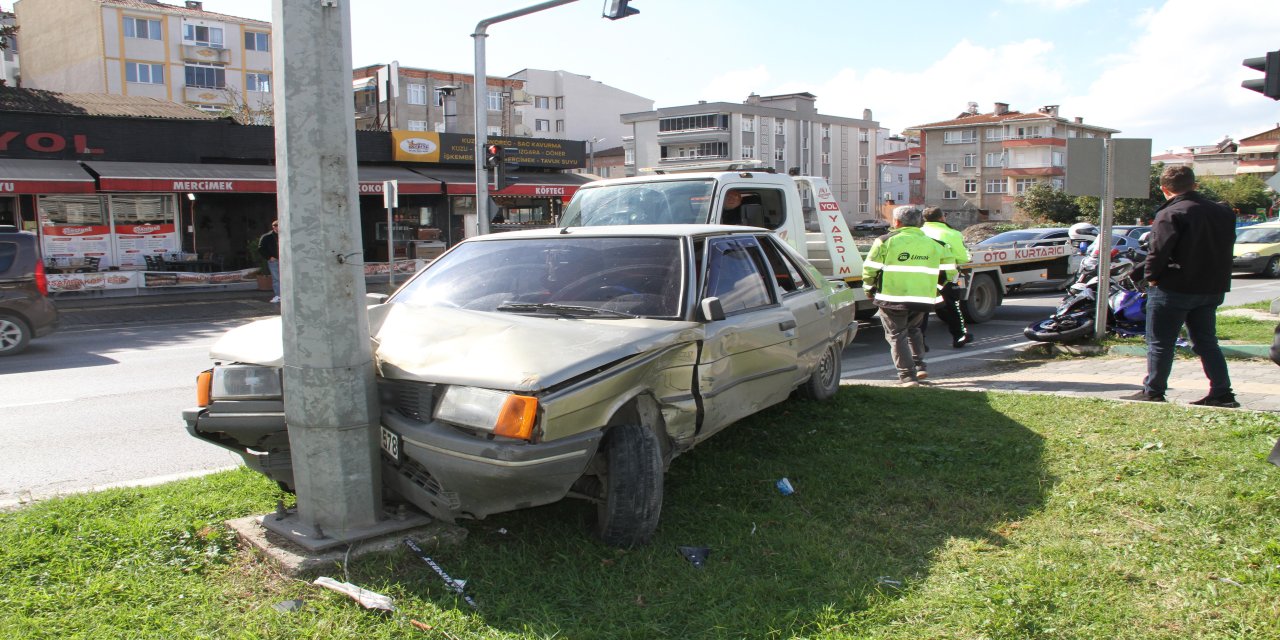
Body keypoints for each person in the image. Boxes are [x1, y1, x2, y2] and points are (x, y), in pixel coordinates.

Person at [1123, 165, 1238, 407]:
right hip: (1212, 288)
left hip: (1174, 288)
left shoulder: (1171, 213)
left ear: (1164, 189)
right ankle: (1222, 393)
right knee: (1206, 341)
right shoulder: (1223, 212)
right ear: (1194, 185)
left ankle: (1153, 390)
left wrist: (1152, 277)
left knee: (1160, 343)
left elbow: (1159, 251)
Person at [863, 206, 952, 386]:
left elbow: (869, 268)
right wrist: (935, 287)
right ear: (920, 222)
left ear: (896, 222)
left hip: (892, 297)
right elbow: (950, 271)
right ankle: (920, 367)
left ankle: (907, 376)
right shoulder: (935, 244)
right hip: (922, 298)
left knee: (896, 335)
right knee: (914, 330)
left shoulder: (885, 241)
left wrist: (869, 288)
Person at [921, 207, 973, 347]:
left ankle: (919, 341)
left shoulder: (920, 233)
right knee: (953, 307)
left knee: (923, 308)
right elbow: (963, 258)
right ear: (942, 218)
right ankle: (959, 337)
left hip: (924, 276)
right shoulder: (952, 233)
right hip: (948, 277)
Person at [258, 219, 280, 304]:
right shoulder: (267, 236)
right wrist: (269, 257)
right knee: (276, 278)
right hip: (274, 260)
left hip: (284, 260)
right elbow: (260, 248)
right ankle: (278, 295)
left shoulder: (285, 235)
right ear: (274, 227)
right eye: (277, 226)